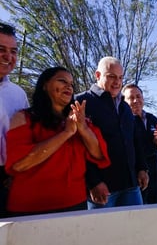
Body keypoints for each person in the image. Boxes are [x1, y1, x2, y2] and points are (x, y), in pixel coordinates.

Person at [5, 67, 110, 216]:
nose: (69, 86)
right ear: (44, 85)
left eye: (71, 84)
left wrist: (83, 128)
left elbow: (99, 153)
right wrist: (66, 133)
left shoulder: (80, 120)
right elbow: (20, 163)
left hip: (75, 204)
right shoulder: (23, 118)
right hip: (30, 208)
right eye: (62, 81)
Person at [75, 57, 149, 209]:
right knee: (103, 233)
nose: (117, 82)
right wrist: (93, 182)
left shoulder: (125, 107)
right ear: (97, 75)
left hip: (131, 186)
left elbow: (134, 140)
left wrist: (142, 168)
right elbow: (77, 148)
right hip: (102, 189)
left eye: (120, 77)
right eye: (111, 76)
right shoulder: (81, 102)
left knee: (135, 231)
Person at [0, 22, 29, 218]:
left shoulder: (18, 94)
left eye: (13, 51)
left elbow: (25, 138)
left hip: (8, 179)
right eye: (1, 50)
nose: (8, 57)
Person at [121, 83, 157, 204]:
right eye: (131, 97)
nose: (136, 100)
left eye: (138, 96)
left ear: (143, 98)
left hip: (155, 177)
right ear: (124, 101)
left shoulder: (152, 119)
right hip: (137, 181)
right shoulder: (124, 121)